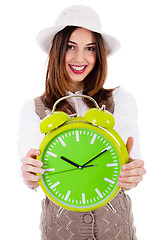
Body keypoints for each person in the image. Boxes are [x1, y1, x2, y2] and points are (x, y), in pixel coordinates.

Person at [18, 5, 146, 240]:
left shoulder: (118, 99)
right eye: (70, 47)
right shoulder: (34, 108)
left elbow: (129, 154)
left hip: (116, 232)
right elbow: (31, 162)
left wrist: (132, 171)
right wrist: (28, 172)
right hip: (60, 233)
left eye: (90, 49)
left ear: (99, 55)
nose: (80, 58)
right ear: (56, 50)